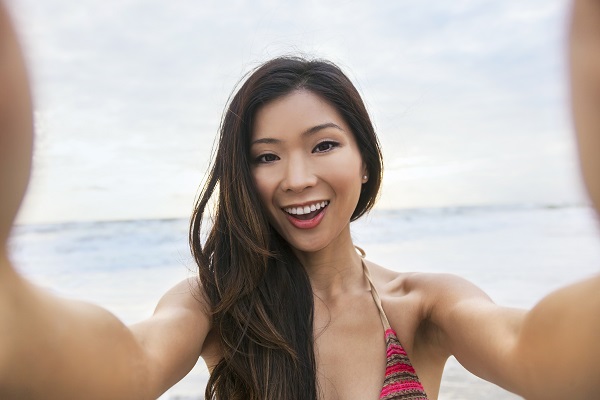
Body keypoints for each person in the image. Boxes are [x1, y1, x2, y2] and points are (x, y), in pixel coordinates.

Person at [1, 1, 599, 399]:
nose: (296, 177)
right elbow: (126, 367)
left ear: (364, 159)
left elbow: (534, 354)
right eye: (266, 156)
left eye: (323, 146)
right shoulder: (219, 302)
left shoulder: (424, 306)